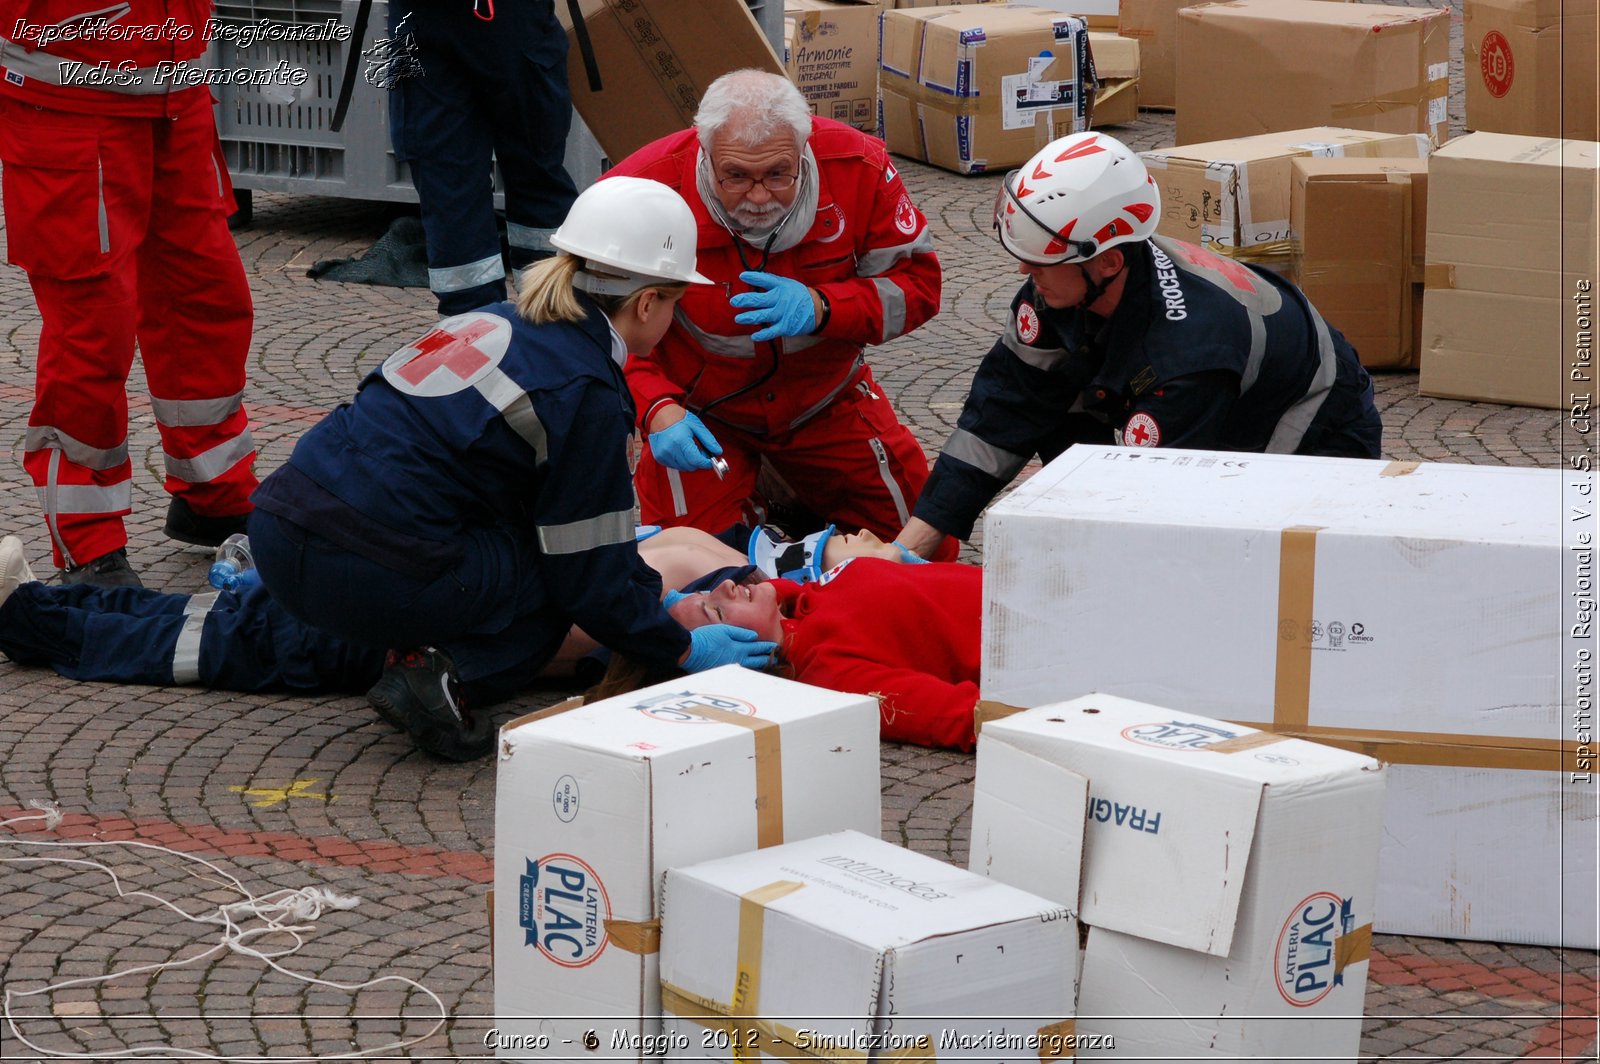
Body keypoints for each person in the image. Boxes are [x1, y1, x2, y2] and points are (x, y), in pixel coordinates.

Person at [242, 177, 777, 760]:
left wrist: (650, 595)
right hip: (365, 569)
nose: (673, 317)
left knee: (526, 551)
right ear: (647, 302)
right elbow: (589, 577)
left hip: (280, 525)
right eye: (675, 301)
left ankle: (429, 658)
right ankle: (448, 678)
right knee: (556, 580)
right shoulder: (585, 389)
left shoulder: (500, 319)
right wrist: (679, 649)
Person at [895, 131, 1385, 560]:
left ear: (1107, 263)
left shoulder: (1189, 352)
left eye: (1043, 259)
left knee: (1242, 562)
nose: (1024, 272)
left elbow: (1155, 505)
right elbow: (1002, 411)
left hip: (1313, 436)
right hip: (1195, 395)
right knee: (1058, 413)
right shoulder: (1064, 287)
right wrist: (908, 548)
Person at [607, 69, 955, 559]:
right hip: (700, 414)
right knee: (693, 567)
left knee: (925, 548)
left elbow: (918, 286)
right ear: (703, 152)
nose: (758, 197)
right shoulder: (640, 190)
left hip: (826, 401)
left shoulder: (860, 166)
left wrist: (824, 307)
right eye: (736, 176)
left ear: (804, 145)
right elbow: (596, 329)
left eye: (777, 173)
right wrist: (655, 408)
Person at [0, 0, 260, 588]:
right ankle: (88, 539)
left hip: (175, 88)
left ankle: (213, 492)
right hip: (68, 99)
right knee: (92, 326)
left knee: (207, 301)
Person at [380, 0, 578, 316]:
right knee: (530, 178)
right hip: (491, 23)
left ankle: (474, 335)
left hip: (427, 24)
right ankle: (548, 324)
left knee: (452, 188)